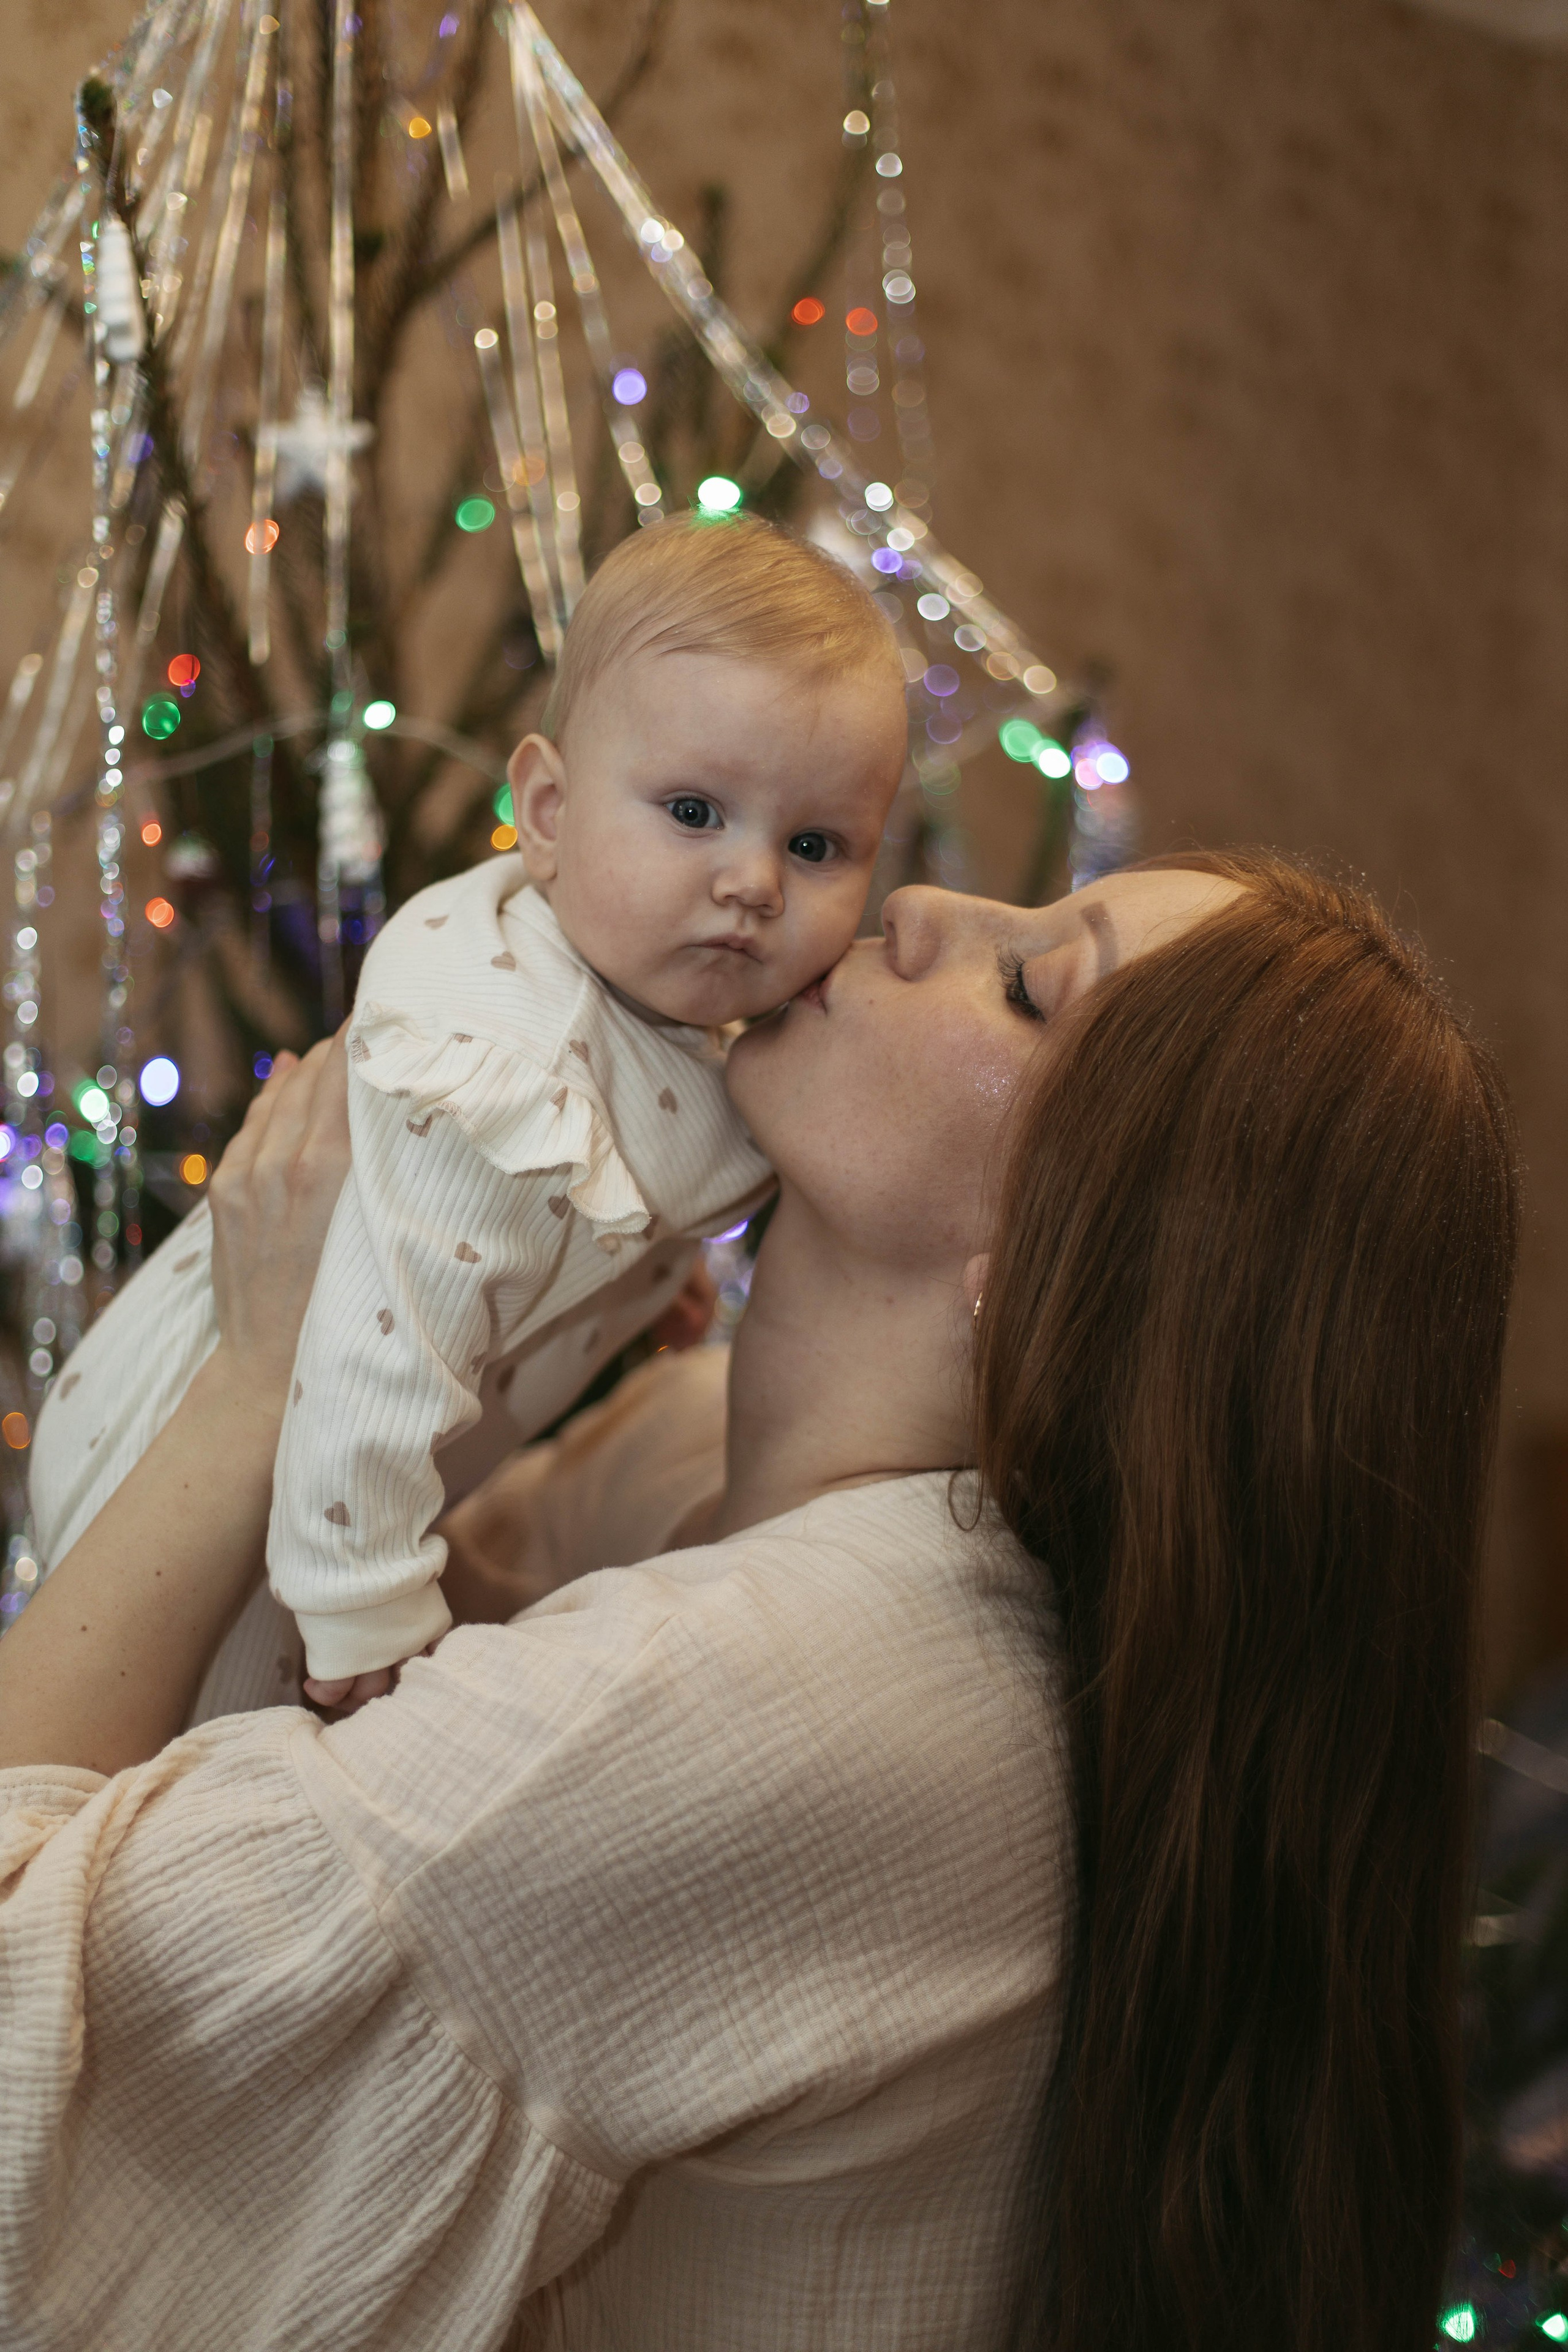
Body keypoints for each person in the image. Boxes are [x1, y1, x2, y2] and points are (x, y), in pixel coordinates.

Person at [0, 852, 1516, 2352]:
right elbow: (346, 1683)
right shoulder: (734, 1476)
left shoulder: (771, 1693)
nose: (918, 907)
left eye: (1026, 985)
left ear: (1072, 1255)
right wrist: (449, 1355)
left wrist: (258, 1384)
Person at [29, 515, 906, 1714]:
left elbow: (589, 1196)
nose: (751, 882)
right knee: (208, 1739)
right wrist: (365, 1613)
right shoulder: (505, 1077)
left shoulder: (628, 993)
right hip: (231, 1493)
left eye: (813, 844)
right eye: (694, 813)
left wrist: (635, 1280)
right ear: (545, 813)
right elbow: (381, 1353)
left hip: (311, 1463)